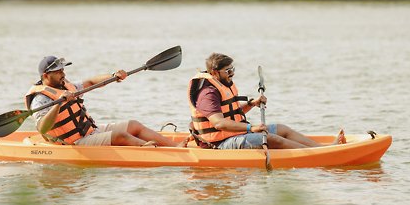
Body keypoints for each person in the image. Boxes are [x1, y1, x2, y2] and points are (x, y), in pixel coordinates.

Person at [188, 53, 347, 149]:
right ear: (215, 73)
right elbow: (219, 124)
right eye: (228, 71)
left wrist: (251, 104)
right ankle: (318, 155)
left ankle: (321, 149)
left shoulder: (221, 84)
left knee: (281, 129)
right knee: (270, 138)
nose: (232, 74)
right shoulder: (207, 93)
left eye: (233, 69)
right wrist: (252, 128)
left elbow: (232, 114)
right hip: (219, 144)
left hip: (231, 134)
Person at [27, 55, 183, 147]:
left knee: (134, 125)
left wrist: (113, 76)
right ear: (46, 76)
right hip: (73, 143)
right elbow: (42, 128)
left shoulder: (65, 85)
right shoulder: (40, 99)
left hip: (89, 131)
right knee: (119, 135)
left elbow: (89, 83)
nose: (63, 73)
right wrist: (59, 104)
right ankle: (149, 150)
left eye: (63, 70)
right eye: (58, 71)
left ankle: (176, 147)